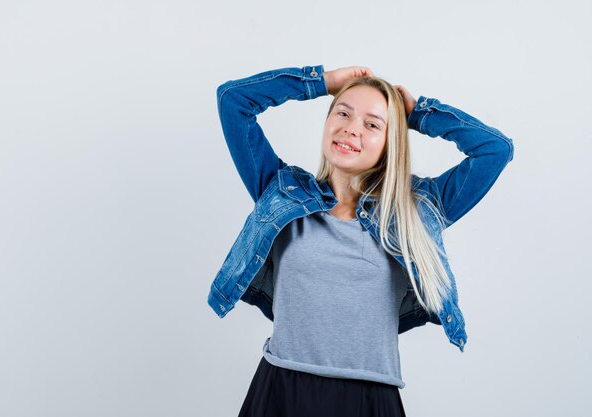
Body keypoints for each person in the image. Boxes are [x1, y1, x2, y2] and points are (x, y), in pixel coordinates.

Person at [207, 65, 514, 416]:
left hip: (370, 398)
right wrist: (321, 82)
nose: (351, 128)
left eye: (372, 124)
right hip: (280, 388)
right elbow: (233, 101)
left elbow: (495, 150)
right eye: (343, 112)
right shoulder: (281, 191)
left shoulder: (415, 210)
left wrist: (418, 115)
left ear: (390, 142)